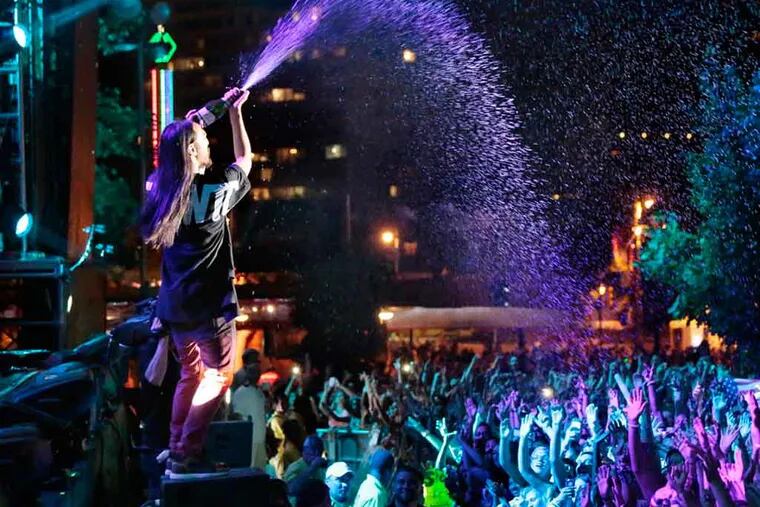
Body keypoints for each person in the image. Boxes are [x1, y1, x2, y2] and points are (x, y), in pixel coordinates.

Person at [139, 87, 252, 476]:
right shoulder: (214, 192)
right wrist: (235, 113)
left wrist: (195, 122)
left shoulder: (159, 193)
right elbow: (245, 159)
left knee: (191, 374)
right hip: (209, 310)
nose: (209, 144)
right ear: (191, 151)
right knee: (218, 377)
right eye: (203, 140)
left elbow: (173, 156)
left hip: (176, 311)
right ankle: (187, 451)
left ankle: (175, 447)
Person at [230, 348, 268, 468]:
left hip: (260, 441)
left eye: (258, 363)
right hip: (248, 443)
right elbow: (236, 416)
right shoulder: (240, 390)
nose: (258, 368)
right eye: (254, 363)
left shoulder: (259, 392)